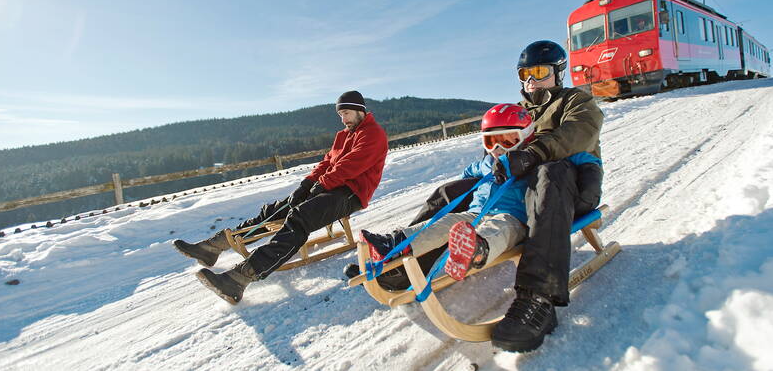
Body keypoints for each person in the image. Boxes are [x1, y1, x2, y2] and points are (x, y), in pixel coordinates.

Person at [174, 90, 388, 304]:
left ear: (360, 110)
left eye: (347, 113)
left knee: (301, 217)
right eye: (340, 115)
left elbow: (350, 166)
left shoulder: (373, 134)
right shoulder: (343, 135)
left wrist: (322, 185)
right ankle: (211, 248)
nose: (344, 119)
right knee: (275, 209)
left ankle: (238, 278)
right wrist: (306, 185)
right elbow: (326, 163)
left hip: (351, 193)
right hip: (330, 185)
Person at [360, 104, 600, 284]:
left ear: (527, 135)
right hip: (475, 213)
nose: (497, 149)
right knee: (444, 223)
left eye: (507, 140)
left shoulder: (533, 159)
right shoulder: (487, 163)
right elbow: (470, 172)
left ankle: (476, 250)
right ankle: (396, 244)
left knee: (498, 230)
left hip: (514, 219)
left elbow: (576, 155)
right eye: (490, 141)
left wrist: (589, 167)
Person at [489, 40, 604, 352]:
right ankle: (411, 253)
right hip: (529, 192)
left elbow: (580, 132)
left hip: (573, 184)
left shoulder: (576, 101)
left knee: (549, 172)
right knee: (462, 186)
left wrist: (533, 153)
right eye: (524, 73)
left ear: (558, 72)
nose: (531, 80)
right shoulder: (519, 112)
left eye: (539, 72)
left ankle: (538, 298)